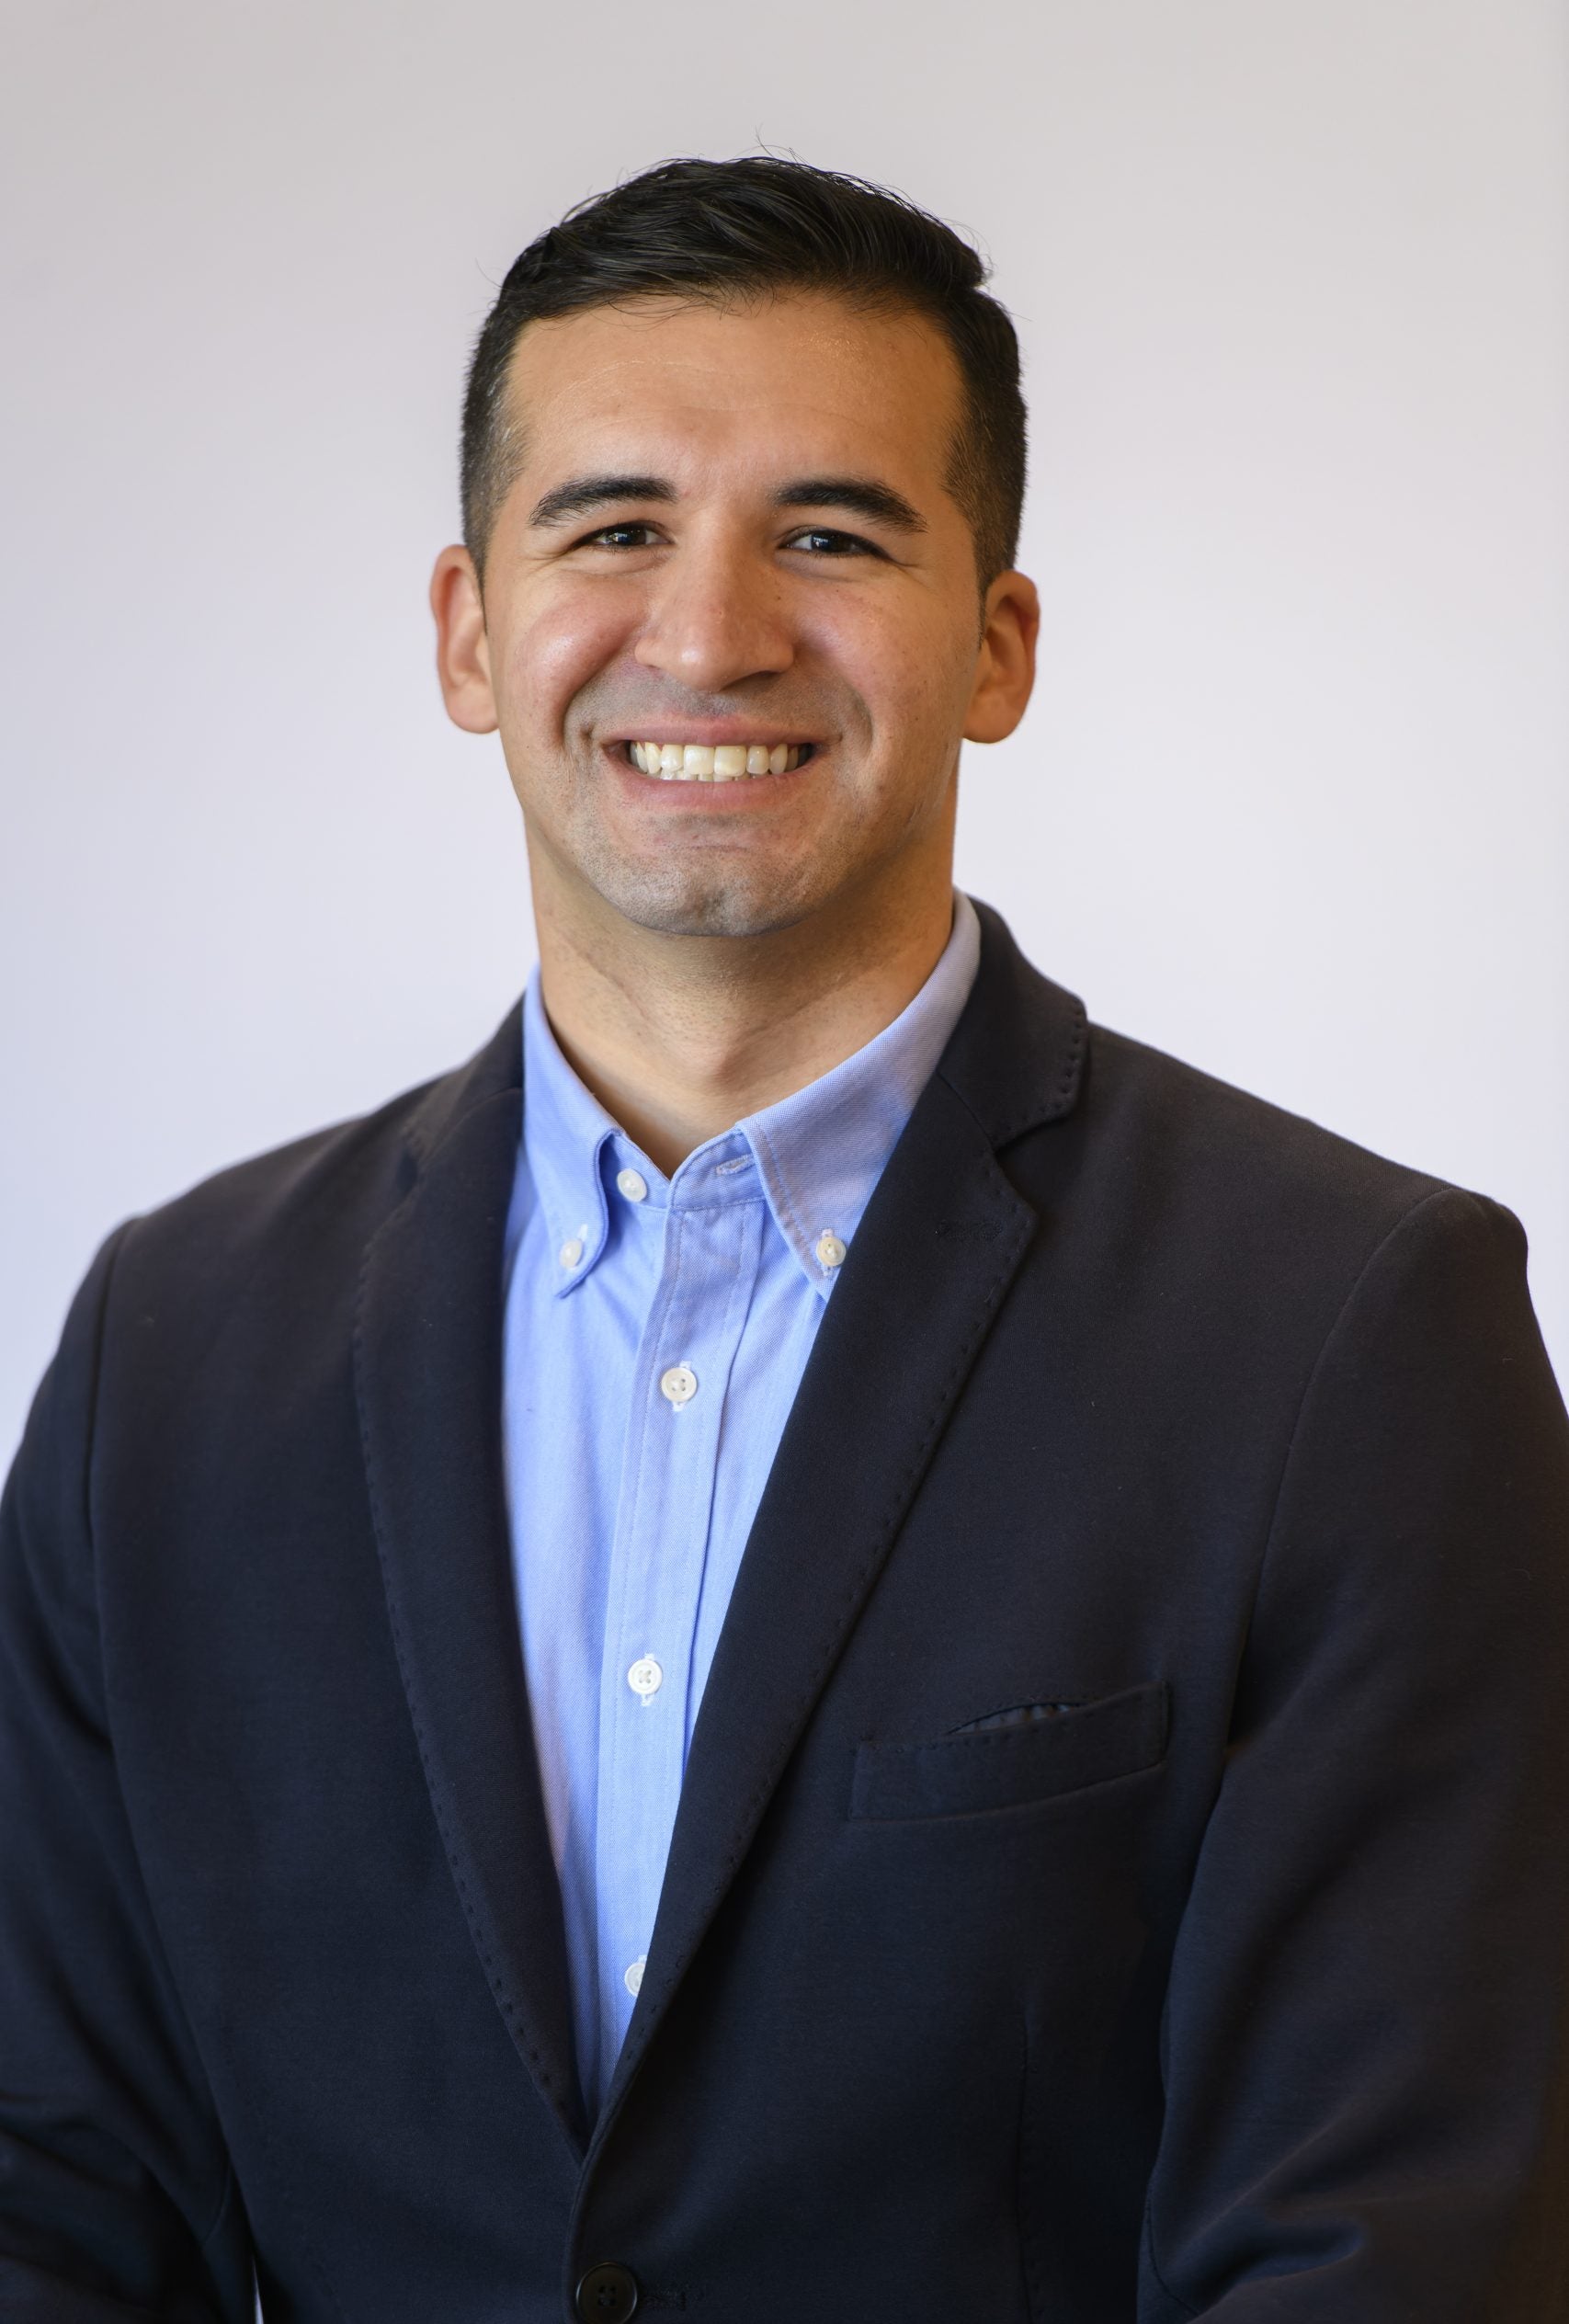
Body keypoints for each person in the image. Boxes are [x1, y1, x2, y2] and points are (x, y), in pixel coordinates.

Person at [2, 155, 1567, 2324]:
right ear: (470, 630)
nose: (711, 630)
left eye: (828, 534)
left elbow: (1380, 2249)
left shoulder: (1348, 1335)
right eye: (612, 525)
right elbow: (51, 2203)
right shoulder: (166, 1354)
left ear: (994, 643)